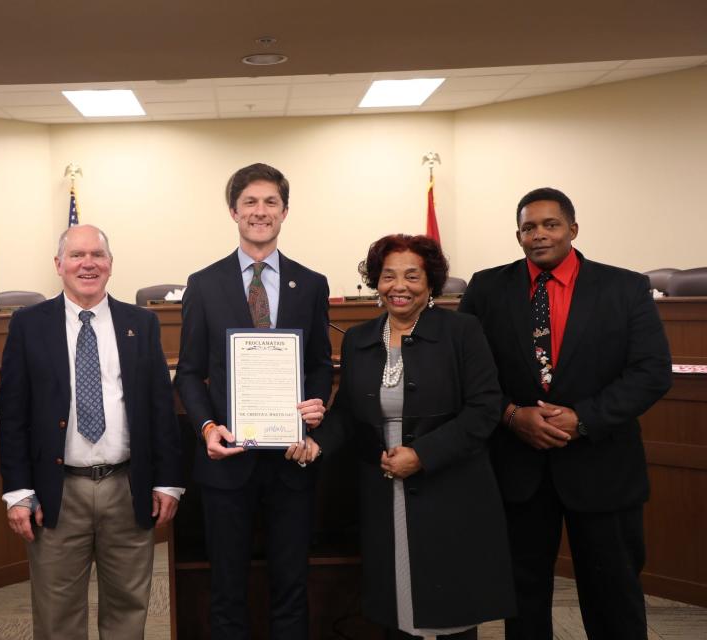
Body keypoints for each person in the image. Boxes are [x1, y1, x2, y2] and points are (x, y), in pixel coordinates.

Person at [458, 187, 672, 639]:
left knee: (613, 596)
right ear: (518, 235)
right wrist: (512, 415)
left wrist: (583, 418)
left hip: (603, 468)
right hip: (518, 469)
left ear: (572, 229)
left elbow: (651, 373)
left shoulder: (625, 287)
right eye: (528, 227)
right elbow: (465, 373)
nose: (539, 235)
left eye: (550, 225)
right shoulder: (487, 288)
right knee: (523, 598)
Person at [294, 234, 515, 639]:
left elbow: (484, 410)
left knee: (453, 609)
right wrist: (316, 443)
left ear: (430, 282)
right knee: (397, 608)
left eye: (412, 276)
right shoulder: (360, 339)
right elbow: (346, 414)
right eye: (388, 276)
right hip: (384, 492)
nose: (399, 286)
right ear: (375, 282)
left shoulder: (462, 331)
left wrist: (423, 455)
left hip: (450, 484)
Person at [0, 224, 183, 639]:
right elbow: (12, 415)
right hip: (56, 491)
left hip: (127, 487)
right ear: (59, 264)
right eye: (77, 255)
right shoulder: (28, 325)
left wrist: (168, 481)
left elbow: (159, 407)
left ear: (111, 265)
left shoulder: (141, 323)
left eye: (97, 255)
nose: (88, 264)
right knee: (57, 615)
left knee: (129, 609)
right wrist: (17, 491)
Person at [174, 162, 333, 638]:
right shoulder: (204, 284)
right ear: (233, 211)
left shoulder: (311, 282)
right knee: (226, 585)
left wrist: (318, 403)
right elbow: (188, 373)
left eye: (270, 203)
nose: (260, 212)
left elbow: (321, 365)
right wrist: (206, 428)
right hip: (228, 459)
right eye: (250, 202)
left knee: (291, 582)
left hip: (292, 458)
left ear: (285, 211)